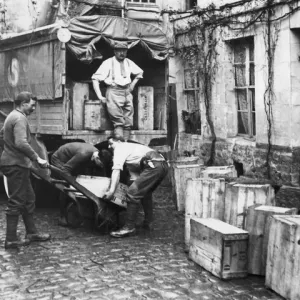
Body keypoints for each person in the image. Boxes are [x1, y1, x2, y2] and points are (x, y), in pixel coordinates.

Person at [0, 91, 51, 249]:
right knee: (17, 201)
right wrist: (37, 158)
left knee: (29, 198)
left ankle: (31, 232)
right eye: (32, 105)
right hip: (16, 165)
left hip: (16, 163)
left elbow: (2, 134)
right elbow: (21, 143)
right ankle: (11, 239)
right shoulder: (20, 118)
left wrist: (9, 150)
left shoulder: (12, 116)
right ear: (23, 104)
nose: (34, 108)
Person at [104, 135, 168, 238]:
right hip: (162, 165)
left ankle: (129, 227)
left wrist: (111, 192)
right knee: (144, 193)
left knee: (132, 193)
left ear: (120, 141)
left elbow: (116, 171)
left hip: (153, 165)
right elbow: (135, 178)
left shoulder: (120, 148)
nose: (109, 147)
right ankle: (148, 223)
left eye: (111, 143)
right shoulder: (131, 150)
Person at [92, 41, 143, 141]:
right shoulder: (108, 63)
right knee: (118, 122)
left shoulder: (128, 62)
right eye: (119, 51)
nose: (122, 53)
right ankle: (119, 142)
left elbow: (140, 72)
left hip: (127, 92)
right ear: (114, 51)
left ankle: (126, 143)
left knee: (128, 120)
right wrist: (100, 96)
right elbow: (95, 78)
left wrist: (132, 85)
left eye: (124, 51)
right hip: (114, 92)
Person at [50, 142, 108, 226]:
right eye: (101, 164)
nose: (101, 166)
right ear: (97, 157)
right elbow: (65, 170)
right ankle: (62, 217)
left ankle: (82, 212)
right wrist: (74, 184)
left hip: (72, 157)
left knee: (81, 180)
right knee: (66, 186)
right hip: (60, 159)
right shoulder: (83, 154)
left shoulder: (97, 153)